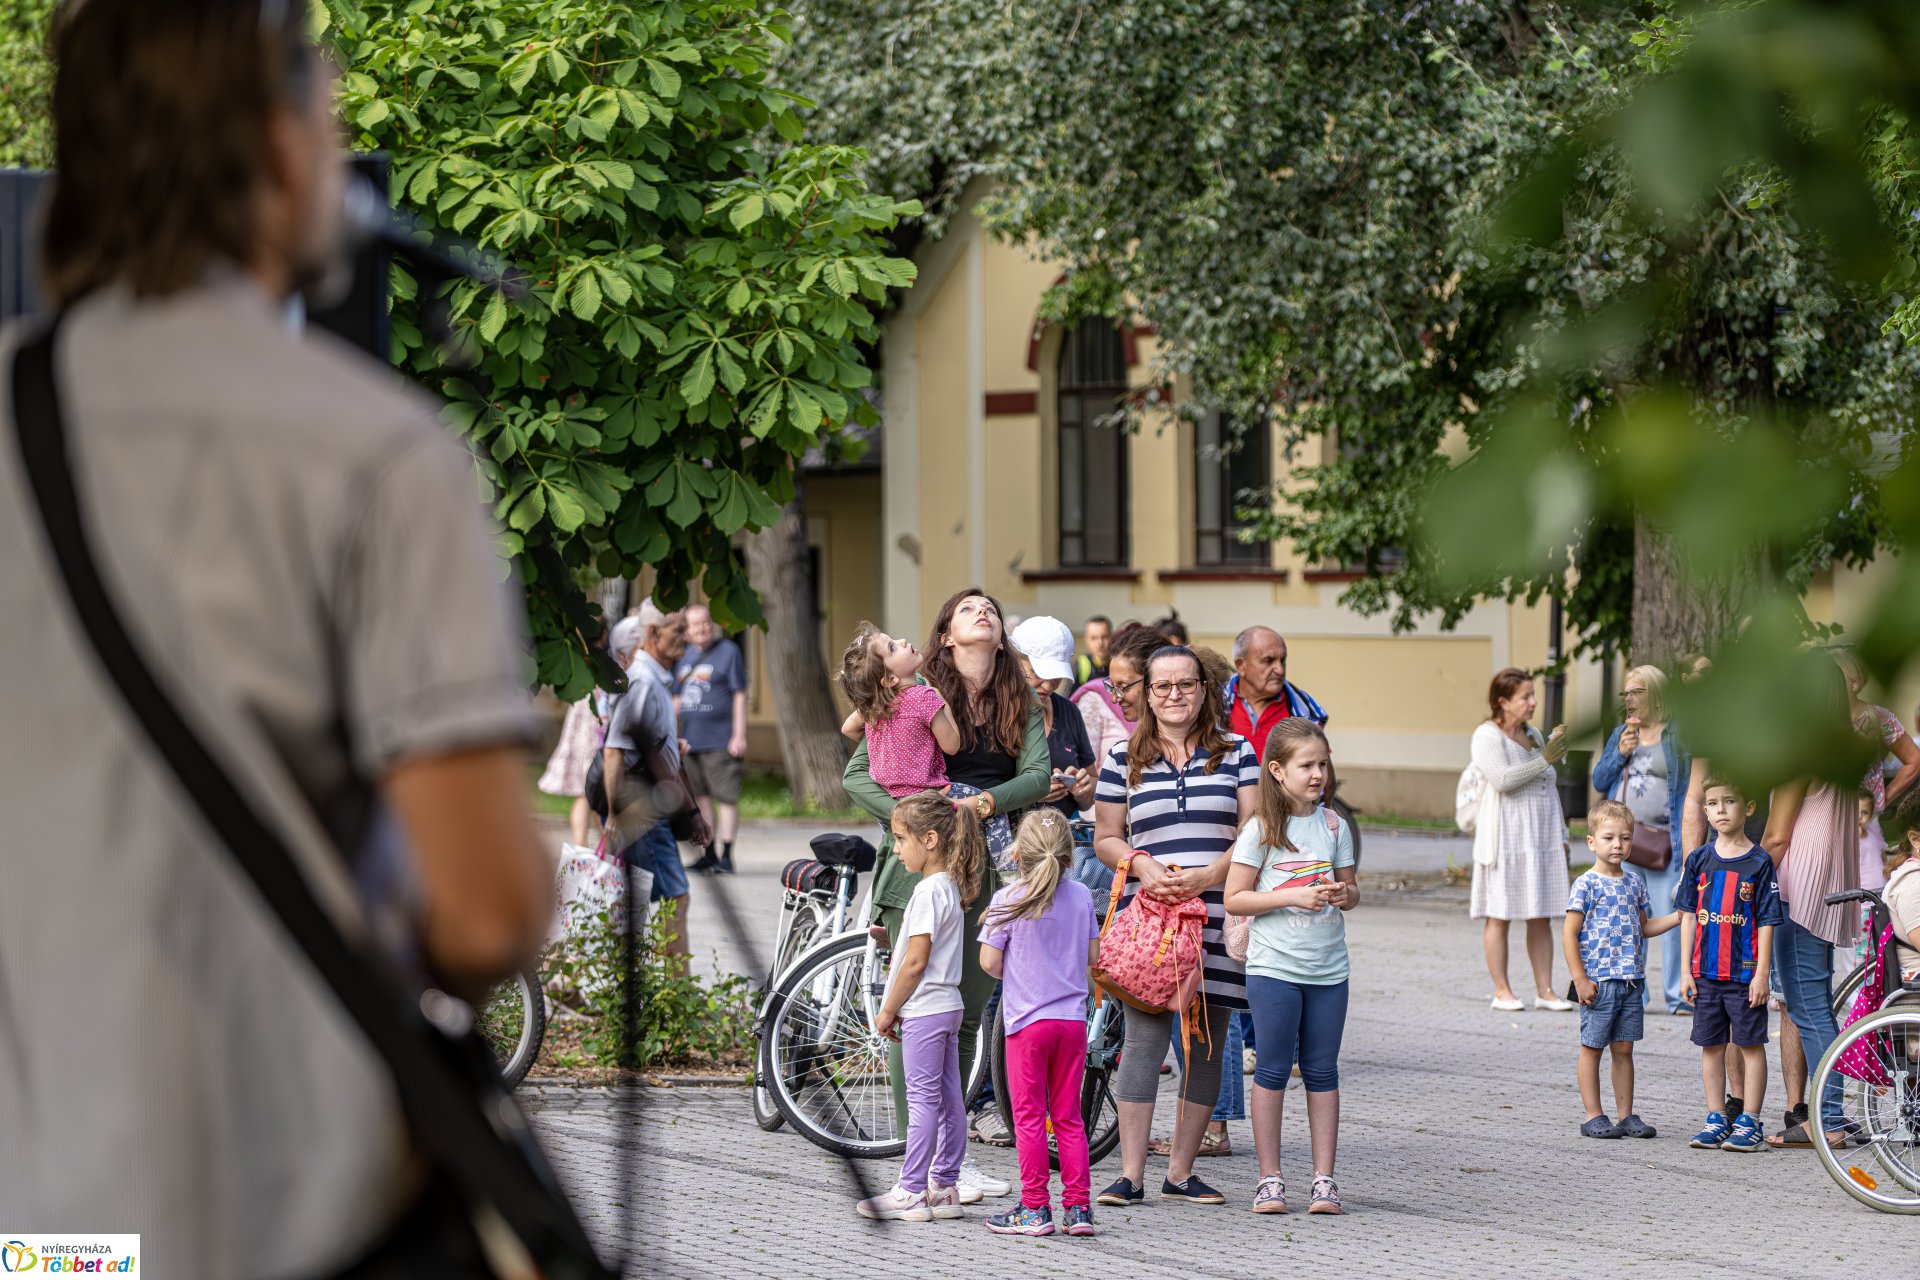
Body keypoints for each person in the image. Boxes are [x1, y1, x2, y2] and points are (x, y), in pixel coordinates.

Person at [0, 3, 555, 1271]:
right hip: (297, 1217)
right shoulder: (373, 455)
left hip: (46, 1237)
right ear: (278, 143)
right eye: (331, 118)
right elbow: (483, 914)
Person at [843, 587, 1051, 1199]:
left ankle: (948, 1165)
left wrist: (981, 804)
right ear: (945, 634)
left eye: (990, 608)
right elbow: (856, 776)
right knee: (914, 1012)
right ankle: (917, 1161)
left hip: (987, 862)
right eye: (967, 608)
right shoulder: (911, 690)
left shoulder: (1020, 698)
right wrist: (918, 818)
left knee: (963, 1016)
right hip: (919, 864)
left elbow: (1037, 777)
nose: (983, 612)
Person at [1093, 645, 1259, 1209]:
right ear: (1146, 693)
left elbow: (1255, 828)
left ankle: (1182, 1173)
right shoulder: (1123, 757)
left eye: (1185, 684)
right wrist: (1140, 865)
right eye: (1161, 686)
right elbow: (1107, 837)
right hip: (1153, 920)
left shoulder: (1237, 751)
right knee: (1144, 1042)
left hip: (1218, 913)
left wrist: (1212, 874)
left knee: (1207, 1043)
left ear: (1203, 689)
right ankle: (1131, 1175)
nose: (1174, 695)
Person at [1224, 718, 1360, 1216]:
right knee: (1273, 1069)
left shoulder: (1334, 825)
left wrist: (1344, 894)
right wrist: (1291, 896)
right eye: (1307, 765)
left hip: (1329, 971)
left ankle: (1324, 1181)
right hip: (1274, 969)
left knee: (1323, 1071)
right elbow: (1234, 898)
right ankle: (1270, 1180)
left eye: (1323, 763)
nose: (1318, 774)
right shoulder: (1261, 828)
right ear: (1278, 771)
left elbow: (1352, 891)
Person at [857, 792, 987, 1223]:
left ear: (929, 839)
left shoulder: (929, 891)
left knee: (922, 1102)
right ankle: (944, 1187)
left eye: (900, 839)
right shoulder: (949, 885)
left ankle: (911, 1190)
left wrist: (888, 1009)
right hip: (947, 1006)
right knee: (949, 1099)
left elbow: (915, 961)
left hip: (925, 1010)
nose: (895, 849)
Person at [977, 810, 1102, 1238]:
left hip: (1027, 1025)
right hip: (1072, 1024)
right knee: (1068, 1117)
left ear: (1017, 853)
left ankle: (1034, 1208)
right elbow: (1092, 957)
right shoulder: (1082, 896)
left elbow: (989, 962)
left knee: (1029, 1118)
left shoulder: (1008, 899)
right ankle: (1079, 1208)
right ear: (1069, 855)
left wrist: (1019, 969)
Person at [1762, 657, 1860, 1149]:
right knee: (1816, 1004)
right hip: (1826, 888)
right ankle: (1830, 1115)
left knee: (1808, 1008)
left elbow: (1777, 837)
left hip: (1797, 891)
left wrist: (1744, 884)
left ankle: (1829, 1120)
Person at [1671, 776, 1783, 1153]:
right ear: (1705, 811)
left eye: (1730, 801)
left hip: (1744, 975)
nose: (1721, 809)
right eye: (1713, 803)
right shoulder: (1698, 860)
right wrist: (1685, 971)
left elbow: (1767, 921)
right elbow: (1688, 916)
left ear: (1748, 808)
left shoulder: (1759, 862)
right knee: (1711, 1045)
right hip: (1705, 974)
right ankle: (1716, 1117)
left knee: (1750, 1045)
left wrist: (1762, 974)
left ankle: (1750, 1120)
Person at [1562, 800, 1681, 1140]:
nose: (1618, 845)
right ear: (1591, 842)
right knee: (1592, 1048)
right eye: (1609, 838)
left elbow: (1644, 927)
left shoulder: (1634, 883)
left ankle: (1626, 1115)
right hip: (1599, 983)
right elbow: (1569, 934)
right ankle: (1593, 1115)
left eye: (1625, 838)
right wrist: (1580, 979)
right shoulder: (1586, 884)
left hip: (1631, 983)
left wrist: (1677, 917)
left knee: (1624, 1050)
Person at [603, 602, 711, 966]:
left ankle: (572, 979)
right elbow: (614, 750)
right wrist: (614, 813)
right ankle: (678, 994)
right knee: (674, 898)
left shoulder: (658, 680)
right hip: (642, 809)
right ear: (652, 633)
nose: (686, 637)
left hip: (652, 806)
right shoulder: (642, 681)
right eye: (677, 630)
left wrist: (693, 813)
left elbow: (664, 754)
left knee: (627, 906)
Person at [1589, 665, 1693, 1014]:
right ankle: (1635, 994)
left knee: (1671, 918)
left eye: (1637, 692)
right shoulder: (1622, 732)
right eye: (1626, 693)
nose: (1629, 699)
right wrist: (1619, 752)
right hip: (1625, 844)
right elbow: (1599, 779)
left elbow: (1690, 786)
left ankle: (1677, 996)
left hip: (1666, 844)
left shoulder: (1677, 733)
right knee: (1629, 918)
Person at [1470, 668, 1575, 1012]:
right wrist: (1544, 759)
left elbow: (1548, 787)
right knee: (1499, 915)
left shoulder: (1534, 734)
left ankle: (1545, 991)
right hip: (1506, 839)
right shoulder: (1487, 736)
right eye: (1525, 697)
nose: (1533, 702)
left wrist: (1562, 836)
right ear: (1503, 702)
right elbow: (1502, 779)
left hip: (1540, 838)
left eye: (1533, 695)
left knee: (1541, 915)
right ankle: (1502, 991)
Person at [837, 622, 962, 795]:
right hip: (930, 795)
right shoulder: (924, 697)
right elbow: (952, 746)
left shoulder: (875, 707)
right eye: (892, 648)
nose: (902, 641)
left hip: (891, 797)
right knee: (983, 804)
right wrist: (940, 699)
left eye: (893, 640)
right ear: (889, 680)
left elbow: (848, 729)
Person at [675, 603, 748, 874]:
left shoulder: (728, 651)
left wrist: (738, 735)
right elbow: (676, 699)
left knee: (726, 797)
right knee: (701, 799)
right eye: (696, 624)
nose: (703, 628)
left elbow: (739, 694)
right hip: (691, 740)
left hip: (721, 739)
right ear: (687, 630)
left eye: (706, 622)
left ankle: (727, 856)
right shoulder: (682, 656)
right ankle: (709, 854)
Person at [1011, 616, 1098, 819]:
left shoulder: (1069, 711)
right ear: (1015, 662)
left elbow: (1092, 780)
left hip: (1064, 832)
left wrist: (1083, 790)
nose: (1049, 686)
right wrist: (1030, 793)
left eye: (1056, 677)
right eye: (1038, 673)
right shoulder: (997, 711)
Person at [1834, 647, 1920, 819]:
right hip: (1827, 816)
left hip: (1863, 820)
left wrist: (1881, 801)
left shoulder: (1879, 718)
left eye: (1835, 677)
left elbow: (1914, 760)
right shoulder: (1819, 719)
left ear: (1854, 681)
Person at [1226, 626, 1329, 759]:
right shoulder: (1212, 706)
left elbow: (1321, 767)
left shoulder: (1305, 711)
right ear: (1241, 665)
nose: (1280, 670)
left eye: (1282, 660)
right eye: (1268, 660)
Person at [1073, 614, 1113, 688]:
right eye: (1094, 638)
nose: (1100, 643)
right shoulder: (1081, 664)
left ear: (1112, 637)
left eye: (1104, 637)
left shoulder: (1119, 664)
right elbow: (1068, 695)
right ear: (1086, 640)